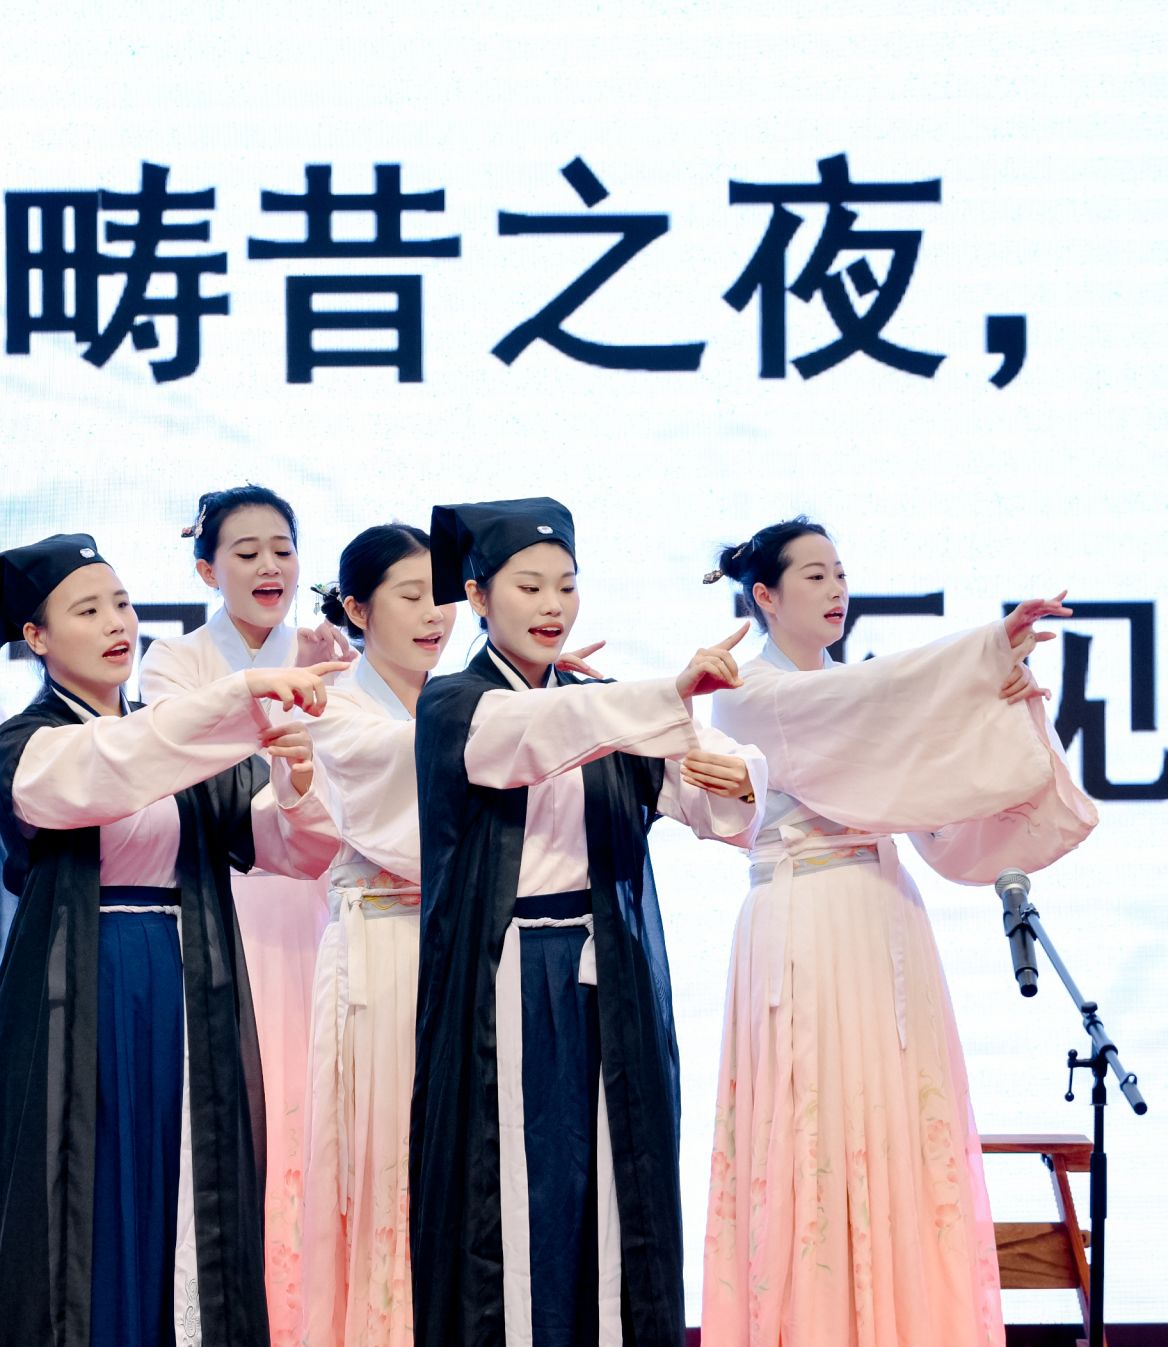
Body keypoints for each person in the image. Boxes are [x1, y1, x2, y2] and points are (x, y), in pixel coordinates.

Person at [696, 519, 1097, 1347]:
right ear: (764, 595)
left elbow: (929, 793)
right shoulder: (750, 693)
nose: (836, 589)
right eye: (814, 575)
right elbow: (875, 704)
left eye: (840, 572)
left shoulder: (850, 693)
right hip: (807, 923)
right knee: (814, 1135)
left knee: (896, 1135)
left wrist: (996, 703)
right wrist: (982, 654)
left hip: (885, 915)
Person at [0, 532, 344, 1347]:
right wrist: (234, 705)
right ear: (35, 637)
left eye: (123, 604)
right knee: (85, 1188)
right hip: (82, 993)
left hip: (184, 983)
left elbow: (291, 849)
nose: (117, 623)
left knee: (182, 1182)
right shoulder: (26, 745)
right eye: (87, 610)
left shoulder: (178, 738)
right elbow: (106, 768)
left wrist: (294, 775)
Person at [410, 498, 766, 1347]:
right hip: (506, 980)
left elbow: (698, 792)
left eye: (566, 586)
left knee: (609, 1182)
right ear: (477, 596)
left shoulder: (607, 705)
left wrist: (739, 777)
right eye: (528, 586)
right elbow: (534, 735)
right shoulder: (455, 703)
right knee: (516, 1189)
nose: (552, 606)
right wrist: (663, 693)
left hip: (607, 975)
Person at [137, 485, 351, 1337]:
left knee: (323, 1105)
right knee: (242, 1110)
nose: (270, 566)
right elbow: (186, 766)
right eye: (247, 551)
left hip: (320, 904)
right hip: (227, 906)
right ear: (206, 569)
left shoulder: (334, 655)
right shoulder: (174, 662)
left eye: (283, 549)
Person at [295, 523, 455, 1347]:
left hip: (457, 951)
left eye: (444, 595)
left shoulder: (459, 701)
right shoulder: (335, 707)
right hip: (379, 955)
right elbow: (412, 770)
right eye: (412, 595)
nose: (436, 614)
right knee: (382, 1162)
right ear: (357, 609)